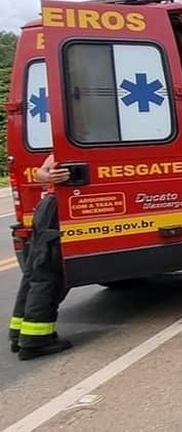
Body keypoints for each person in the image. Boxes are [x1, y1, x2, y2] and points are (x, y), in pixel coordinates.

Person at [9, 153, 73, 360]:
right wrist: (51, 177)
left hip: (46, 209)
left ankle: (19, 333)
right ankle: (36, 341)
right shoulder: (65, 147)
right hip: (55, 209)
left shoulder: (65, 147)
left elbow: (39, 173)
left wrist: (47, 177)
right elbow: (40, 174)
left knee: (34, 272)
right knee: (48, 273)